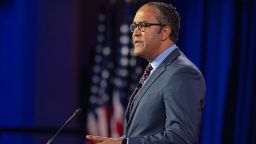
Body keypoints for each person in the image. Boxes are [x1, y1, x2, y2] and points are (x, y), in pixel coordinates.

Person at [86, 2, 205, 144]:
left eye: (143, 25)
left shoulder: (182, 73)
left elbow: (181, 138)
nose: (135, 32)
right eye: (134, 26)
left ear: (165, 32)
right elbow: (144, 132)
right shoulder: (153, 70)